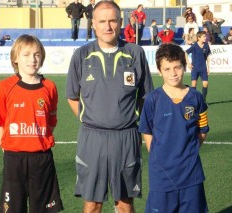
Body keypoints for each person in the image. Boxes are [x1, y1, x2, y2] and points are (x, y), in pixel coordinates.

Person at [66, 1, 154, 212]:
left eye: (113, 20)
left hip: (126, 138)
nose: (108, 26)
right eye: (102, 21)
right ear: (93, 24)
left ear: (121, 23)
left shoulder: (135, 53)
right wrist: (91, 118)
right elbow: (72, 97)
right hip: (92, 138)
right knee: (92, 204)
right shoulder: (81, 55)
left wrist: (129, 118)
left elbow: (146, 96)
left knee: (125, 205)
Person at [0, 34, 64, 213]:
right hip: (14, 159)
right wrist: (6, 147)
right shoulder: (4, 86)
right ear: (16, 58)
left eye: (37, 54)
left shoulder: (50, 87)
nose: (32, 59)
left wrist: (38, 141)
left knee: (44, 209)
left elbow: (50, 122)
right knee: (13, 209)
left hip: (42, 158)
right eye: (26, 54)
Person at [139, 43, 209, 213]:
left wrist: (190, 150)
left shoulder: (196, 97)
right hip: (162, 175)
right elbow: (146, 130)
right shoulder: (152, 99)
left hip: (191, 173)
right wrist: (157, 154)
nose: (173, 73)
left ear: (184, 67)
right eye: (167, 68)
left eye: (177, 67)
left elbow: (203, 129)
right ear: (159, 70)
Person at [185, 31, 211, 101]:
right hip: (195, 68)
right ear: (199, 38)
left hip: (203, 68)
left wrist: (208, 67)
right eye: (203, 37)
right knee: (194, 84)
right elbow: (186, 53)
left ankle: (203, 100)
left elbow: (208, 56)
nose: (205, 38)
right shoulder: (194, 46)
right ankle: (193, 100)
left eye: (205, 36)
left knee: (205, 84)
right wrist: (188, 63)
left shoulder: (206, 45)